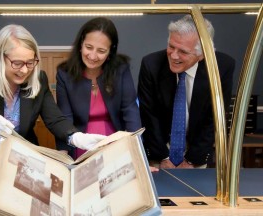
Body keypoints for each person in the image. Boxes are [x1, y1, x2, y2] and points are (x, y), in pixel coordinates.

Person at [0, 24, 106, 170]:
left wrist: (76, 137)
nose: (25, 70)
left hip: (13, 163)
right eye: (17, 63)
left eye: (30, 63)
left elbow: (55, 119)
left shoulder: (38, 79)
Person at [138, 15, 235, 169]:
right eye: (171, 46)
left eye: (183, 51)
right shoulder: (151, 64)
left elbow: (215, 119)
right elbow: (149, 115)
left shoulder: (221, 67)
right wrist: (163, 156)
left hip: (197, 152)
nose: (174, 55)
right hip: (160, 151)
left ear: (202, 54)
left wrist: (192, 160)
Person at [56, 17, 142, 159]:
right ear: (81, 44)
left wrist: (138, 153)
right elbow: (65, 117)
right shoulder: (64, 74)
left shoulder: (121, 69)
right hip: (81, 143)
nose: (93, 56)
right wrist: (63, 154)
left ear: (110, 52)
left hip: (115, 142)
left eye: (101, 50)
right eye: (88, 47)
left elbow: (130, 109)